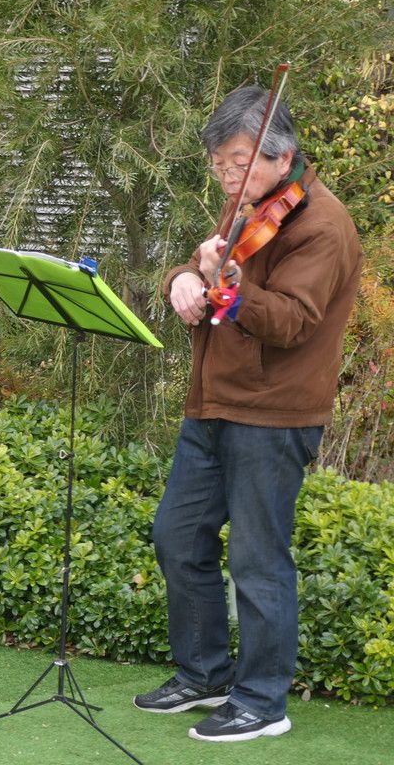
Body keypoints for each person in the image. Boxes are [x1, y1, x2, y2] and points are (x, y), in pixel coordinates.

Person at [133, 86, 362, 741]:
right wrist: (183, 277)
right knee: (178, 537)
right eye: (219, 165)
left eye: (239, 163)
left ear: (281, 156)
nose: (228, 178)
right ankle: (205, 675)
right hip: (213, 402)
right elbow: (207, 263)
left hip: (275, 415)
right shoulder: (249, 204)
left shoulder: (322, 226)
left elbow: (289, 322)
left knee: (259, 559)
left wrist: (224, 284)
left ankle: (263, 702)